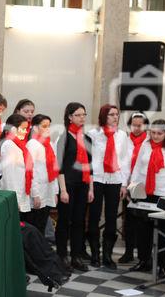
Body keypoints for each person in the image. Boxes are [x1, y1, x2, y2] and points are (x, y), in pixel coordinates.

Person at [129, 119, 165, 278]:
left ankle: (163, 265)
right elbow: (137, 168)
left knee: (163, 230)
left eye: (159, 133)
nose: (156, 136)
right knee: (143, 230)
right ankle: (144, 261)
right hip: (144, 193)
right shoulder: (145, 146)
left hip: (163, 194)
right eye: (153, 133)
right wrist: (133, 188)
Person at [86, 104, 130, 270]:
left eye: (117, 114)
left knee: (111, 218)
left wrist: (124, 184)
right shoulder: (92, 134)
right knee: (94, 217)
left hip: (115, 179)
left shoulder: (122, 136)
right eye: (111, 114)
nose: (115, 117)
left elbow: (125, 160)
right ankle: (95, 254)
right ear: (104, 116)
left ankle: (107, 255)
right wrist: (89, 185)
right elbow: (87, 161)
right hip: (97, 179)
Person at [55, 102, 94, 272]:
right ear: (70, 117)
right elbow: (60, 167)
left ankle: (76, 256)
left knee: (79, 222)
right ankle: (62, 256)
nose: (82, 118)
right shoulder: (64, 138)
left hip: (83, 185)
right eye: (78, 115)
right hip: (68, 185)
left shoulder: (87, 139)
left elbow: (90, 167)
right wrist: (63, 190)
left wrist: (91, 188)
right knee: (64, 221)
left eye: (84, 115)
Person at [119, 111, 149, 264]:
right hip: (128, 184)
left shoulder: (150, 141)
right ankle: (128, 252)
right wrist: (124, 184)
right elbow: (123, 163)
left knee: (144, 222)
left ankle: (144, 256)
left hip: (145, 186)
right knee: (129, 220)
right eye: (133, 125)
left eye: (140, 125)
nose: (136, 128)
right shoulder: (125, 140)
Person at [26, 114, 59, 235]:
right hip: (37, 193)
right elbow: (30, 171)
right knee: (35, 227)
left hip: (47, 191)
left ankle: (39, 251)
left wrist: (55, 192)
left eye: (49, 126)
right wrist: (35, 194)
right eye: (44, 126)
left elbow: (53, 169)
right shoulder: (32, 144)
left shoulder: (49, 144)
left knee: (42, 226)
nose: (48, 129)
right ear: (35, 128)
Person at [0, 114, 33, 221]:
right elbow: (9, 176)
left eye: (26, 129)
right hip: (13, 195)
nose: (26, 132)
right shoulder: (9, 145)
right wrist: (14, 200)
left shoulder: (19, 145)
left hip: (20, 193)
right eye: (23, 129)